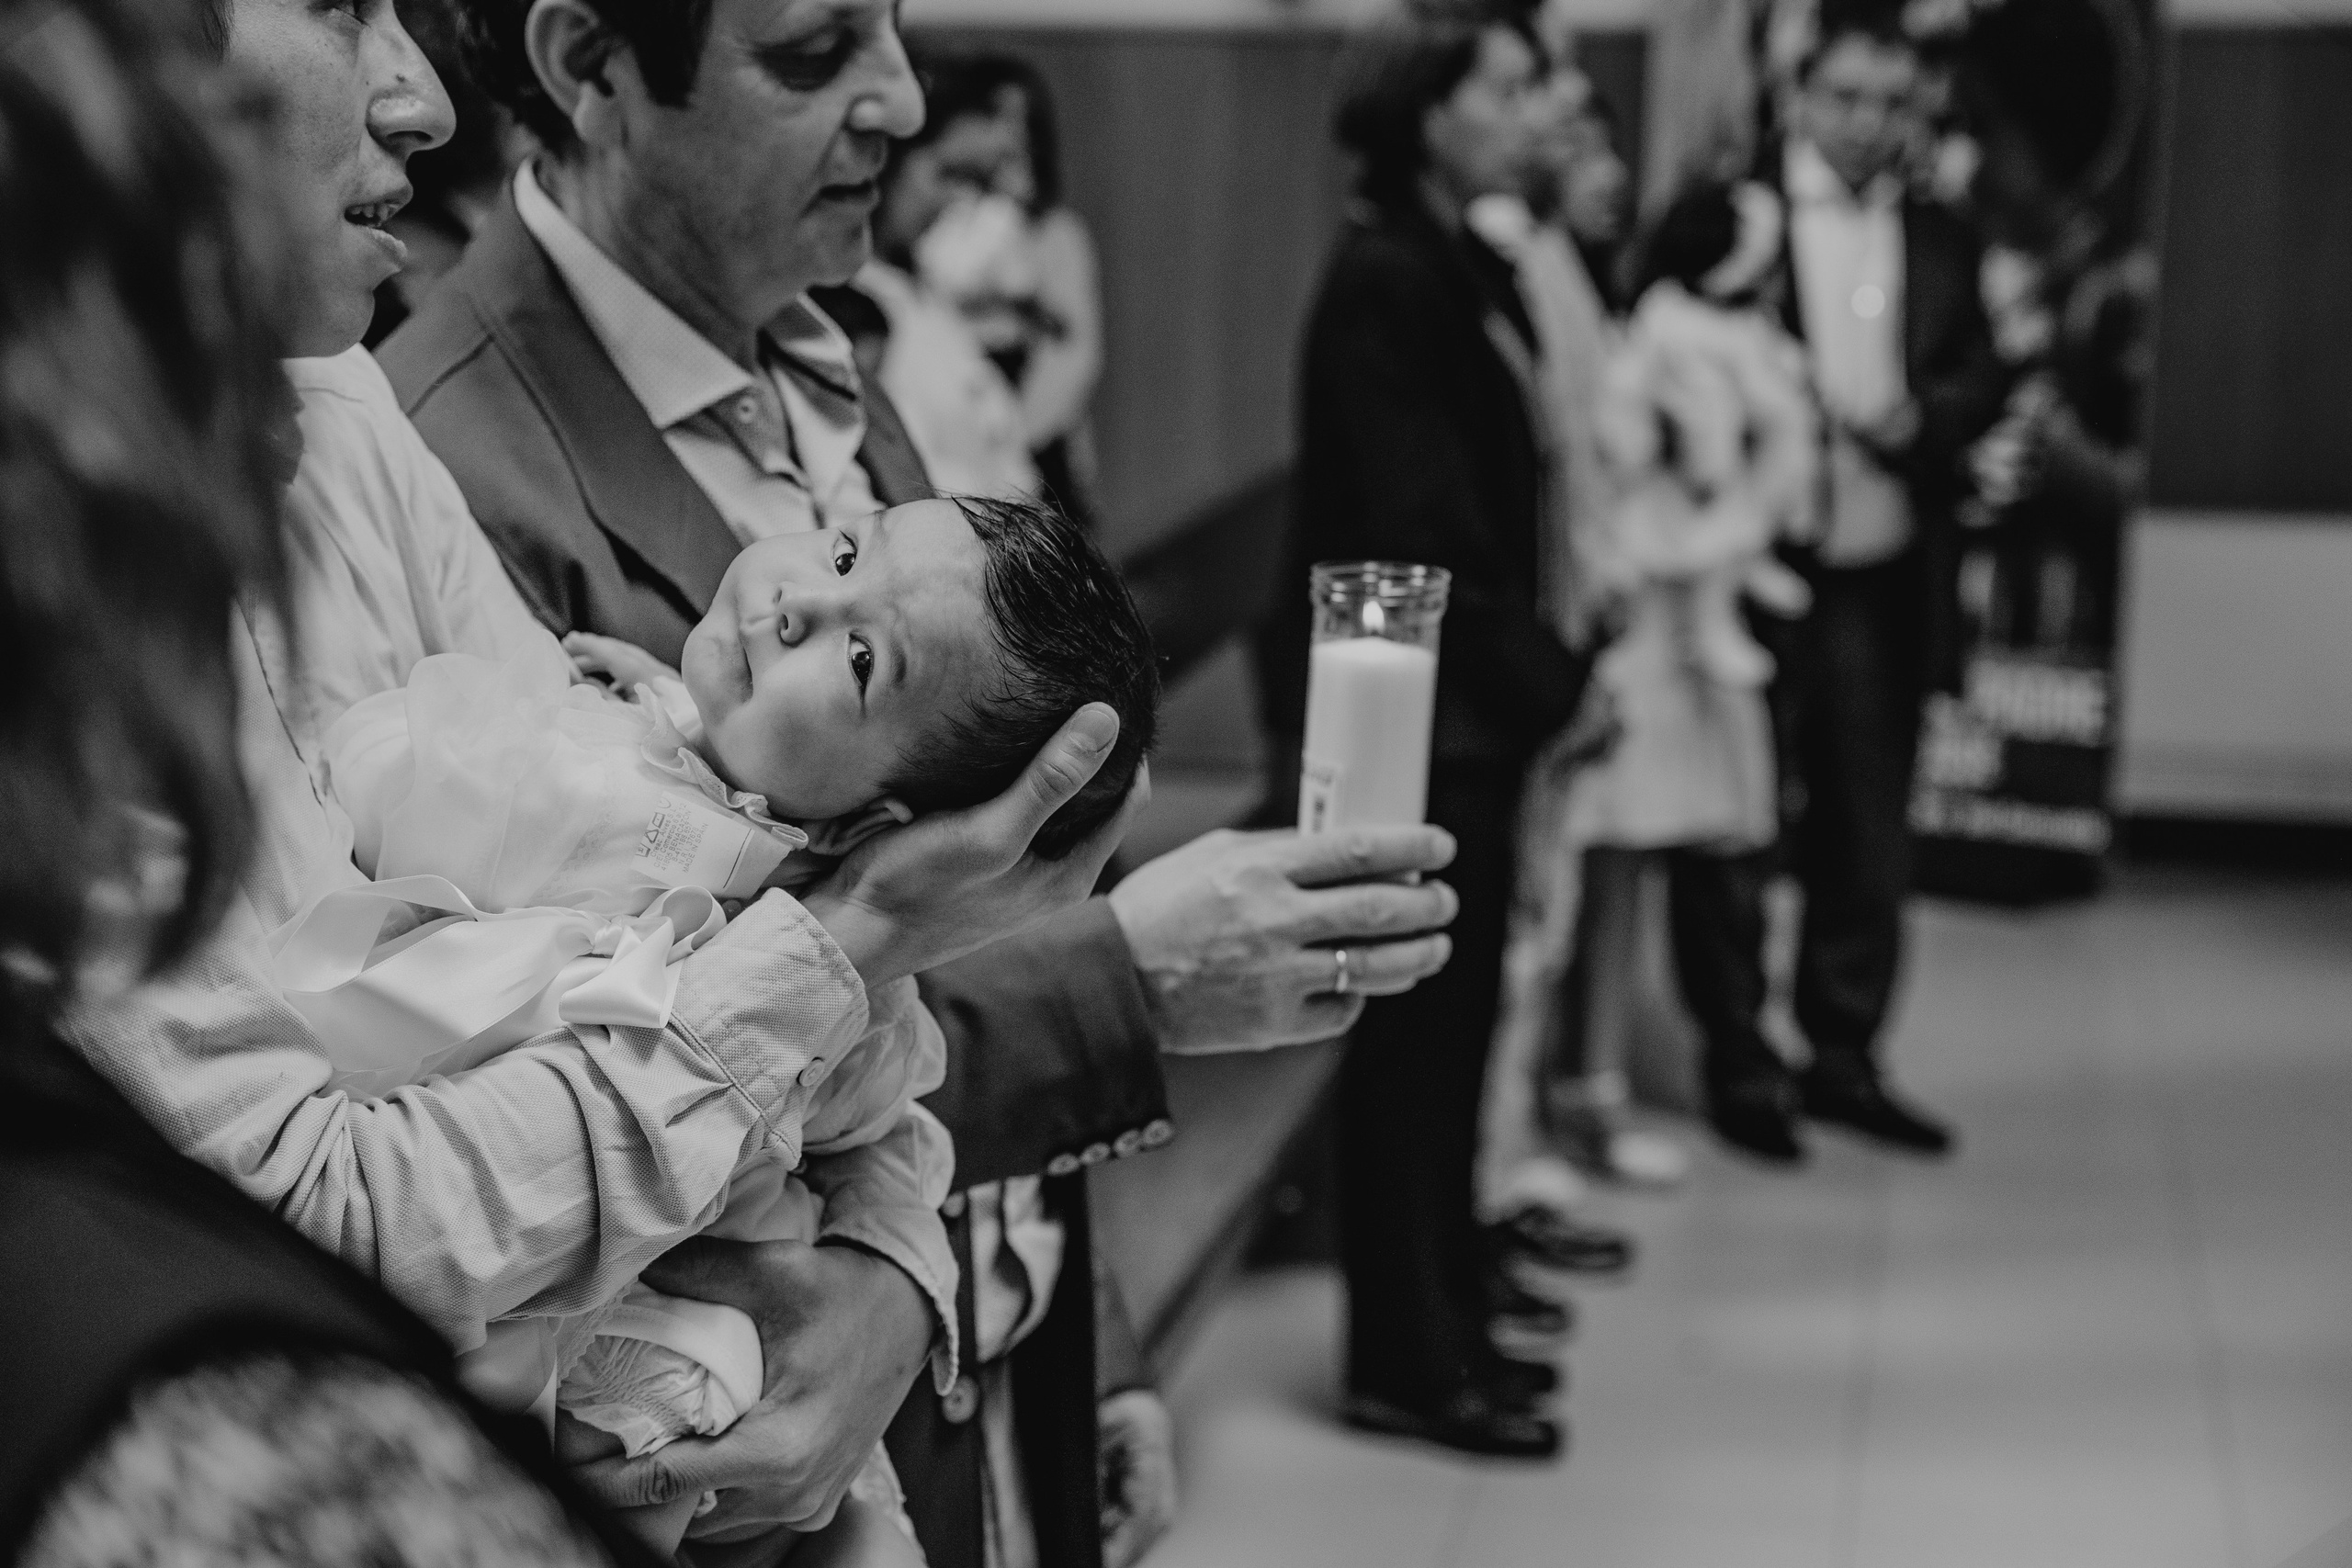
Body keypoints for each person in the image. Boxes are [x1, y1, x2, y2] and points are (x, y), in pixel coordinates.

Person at [378, 3, 1460, 1562]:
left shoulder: (825, 357)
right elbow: (591, 1075)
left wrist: (1091, 1334)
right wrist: (1128, 984)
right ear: (589, 66)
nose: (897, 97)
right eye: (816, 54)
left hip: (982, 1332)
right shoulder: (460, 469)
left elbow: (953, 869)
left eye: (891, 24)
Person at [0, 2, 637, 1562]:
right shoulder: (222, 1423)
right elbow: (333, 1203)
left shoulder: (349, 410)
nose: (428, 100)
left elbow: (630, 836)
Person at [282, 493, 1154, 1563]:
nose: (800, 603)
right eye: (843, 551)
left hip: (602, 1306)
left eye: (865, 661)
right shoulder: (715, 780)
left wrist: (571, 736)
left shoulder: (700, 872)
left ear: (877, 829)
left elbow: (392, 776)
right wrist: (649, 707)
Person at [1256, 4, 1599, 1461]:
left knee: (1455, 1030)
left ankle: (1449, 1276)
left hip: (1467, 707)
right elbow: (1419, 526)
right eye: (1505, 81)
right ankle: (1406, 1352)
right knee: (1414, 1039)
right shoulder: (1389, 277)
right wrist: (1554, 680)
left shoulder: (1460, 255)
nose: (1537, 105)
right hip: (1418, 719)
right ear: (1425, 108)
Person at [1722, 11, 2005, 1159]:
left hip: (1883, 568)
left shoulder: (1944, 232)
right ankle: (1740, 1067)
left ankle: (1842, 1055)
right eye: (1846, 97)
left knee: (1865, 825)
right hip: (1750, 568)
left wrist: (1922, 417)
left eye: (1893, 103)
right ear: (1798, 96)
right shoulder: (1734, 216)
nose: (1869, 123)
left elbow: (1982, 370)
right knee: (1738, 824)